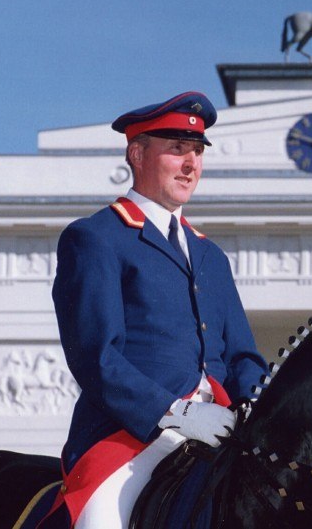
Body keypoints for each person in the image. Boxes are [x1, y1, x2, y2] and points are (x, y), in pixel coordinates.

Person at [43, 91, 268, 528]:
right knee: (100, 522)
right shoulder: (97, 237)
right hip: (131, 438)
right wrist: (179, 413)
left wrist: (260, 406)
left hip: (222, 428)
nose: (191, 165)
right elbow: (97, 358)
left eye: (197, 152)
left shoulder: (210, 255)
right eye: (177, 150)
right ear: (137, 153)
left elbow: (242, 355)